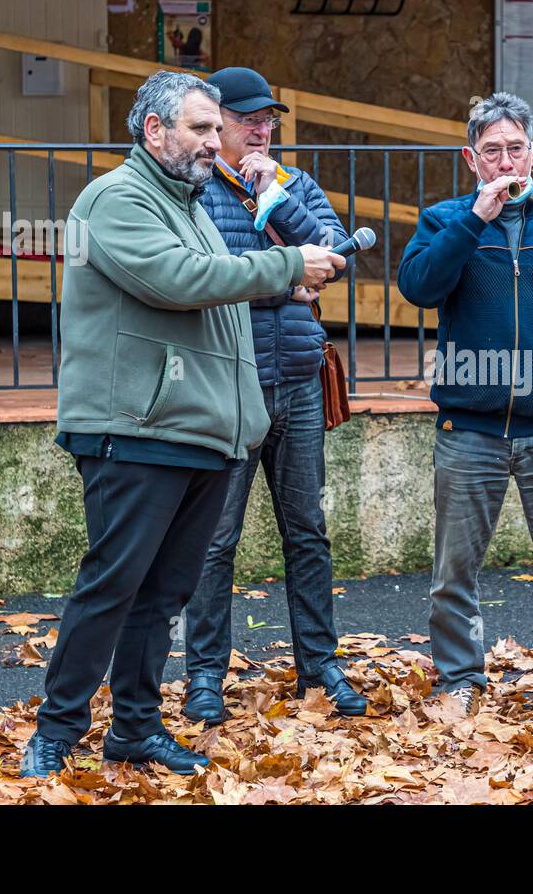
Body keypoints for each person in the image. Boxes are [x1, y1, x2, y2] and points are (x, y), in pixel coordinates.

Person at [18, 70, 344, 778]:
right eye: (198, 127)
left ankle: (134, 729)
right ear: (154, 131)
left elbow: (212, 290)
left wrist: (248, 407)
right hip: (132, 428)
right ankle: (54, 733)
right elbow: (178, 280)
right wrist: (286, 263)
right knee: (113, 585)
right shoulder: (114, 199)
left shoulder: (188, 203)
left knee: (162, 595)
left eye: (211, 128)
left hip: (200, 434)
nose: (210, 140)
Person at [396, 92, 533, 743]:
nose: (504, 160)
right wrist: (475, 219)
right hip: (469, 430)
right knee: (454, 573)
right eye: (490, 150)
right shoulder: (445, 221)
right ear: (471, 158)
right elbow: (419, 287)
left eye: (514, 148)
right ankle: (459, 681)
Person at [180, 66, 365, 722]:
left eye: (269, 120)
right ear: (216, 124)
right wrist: (288, 282)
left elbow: (336, 257)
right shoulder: (195, 192)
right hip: (229, 388)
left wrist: (275, 196)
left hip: (299, 382)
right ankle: (204, 678)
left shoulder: (293, 184)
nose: (261, 129)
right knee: (213, 539)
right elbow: (201, 279)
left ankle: (320, 671)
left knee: (308, 533)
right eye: (247, 119)